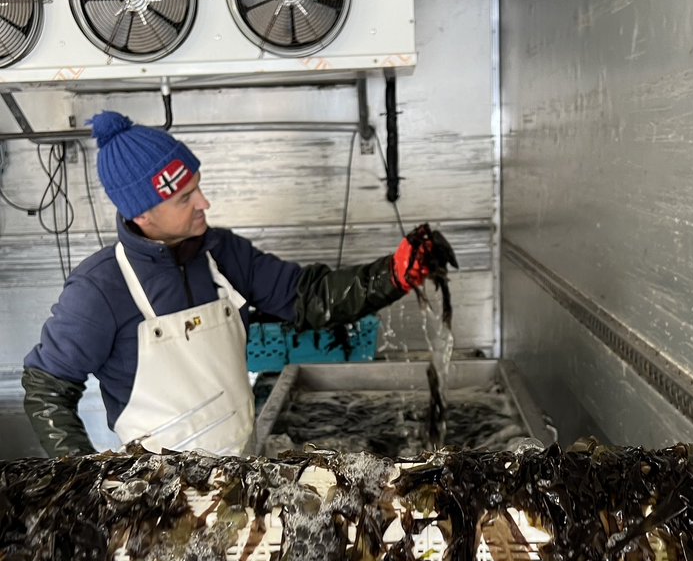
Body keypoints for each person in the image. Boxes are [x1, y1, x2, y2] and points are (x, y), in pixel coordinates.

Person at [22, 111, 457, 457]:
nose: (204, 203)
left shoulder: (222, 253)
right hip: (159, 500)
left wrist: (394, 273)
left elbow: (310, 297)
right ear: (142, 214)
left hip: (245, 472)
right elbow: (46, 387)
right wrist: (82, 479)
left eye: (199, 187)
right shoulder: (98, 289)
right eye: (184, 198)